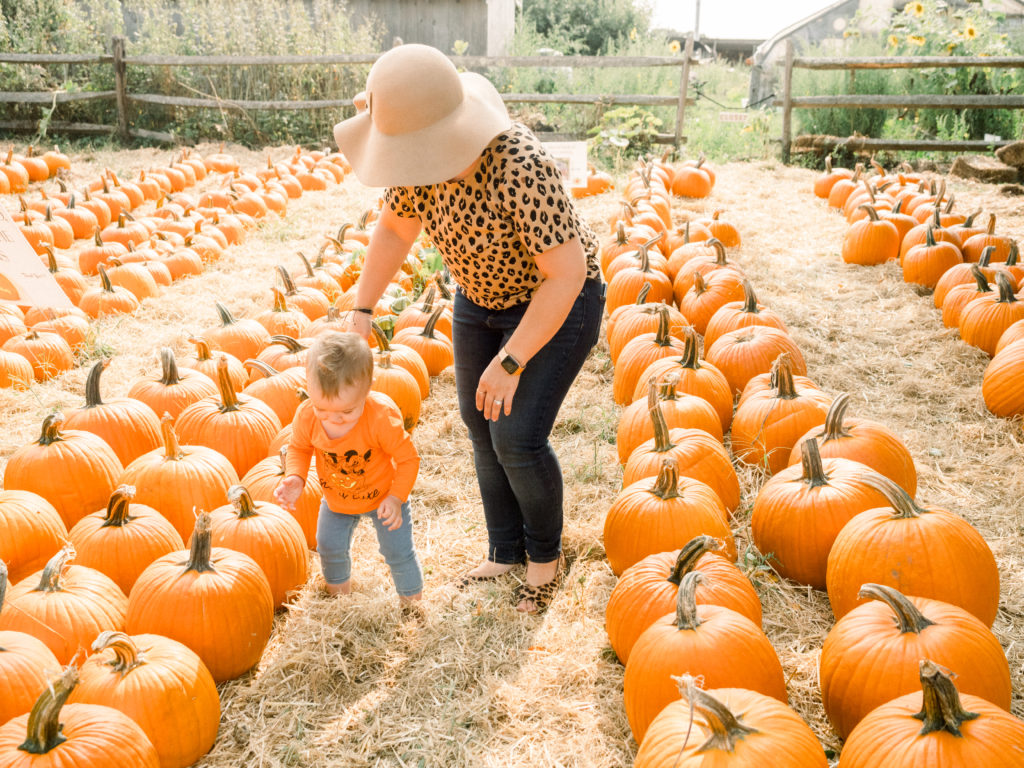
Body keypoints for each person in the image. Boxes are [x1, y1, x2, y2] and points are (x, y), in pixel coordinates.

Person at [333, 44, 604, 615]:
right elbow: (392, 232)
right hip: (477, 298)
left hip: (555, 300)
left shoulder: (520, 165)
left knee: (516, 435)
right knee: (480, 426)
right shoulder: (416, 167)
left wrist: (511, 362)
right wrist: (361, 309)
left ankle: (545, 559)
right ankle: (504, 550)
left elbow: (566, 274)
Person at [274, 331, 423, 603]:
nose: (335, 419)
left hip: (384, 499)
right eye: (323, 409)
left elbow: (408, 459)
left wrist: (396, 497)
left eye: (346, 411)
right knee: (329, 547)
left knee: (398, 552)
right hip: (336, 500)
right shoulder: (307, 415)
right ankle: (340, 602)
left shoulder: (380, 417)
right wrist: (295, 477)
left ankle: (411, 604)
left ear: (368, 389)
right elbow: (299, 447)